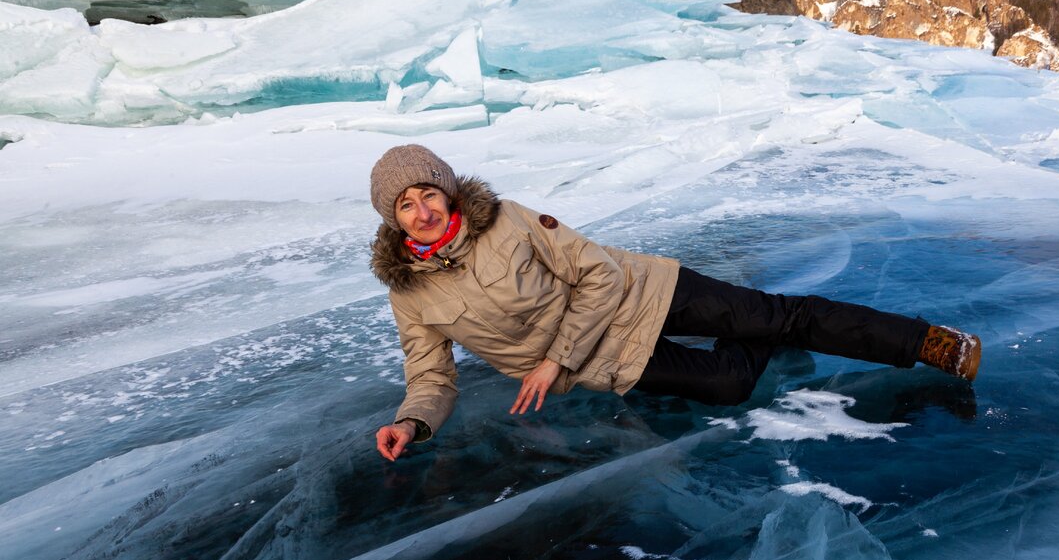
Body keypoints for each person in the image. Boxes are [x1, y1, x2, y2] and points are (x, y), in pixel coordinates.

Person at [371, 145, 981, 461]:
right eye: (406, 205)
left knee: (781, 316)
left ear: (449, 195)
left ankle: (928, 344)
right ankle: (754, 323)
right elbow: (431, 376)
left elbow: (601, 275)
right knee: (728, 386)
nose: (423, 212)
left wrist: (554, 359)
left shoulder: (508, 222)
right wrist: (411, 421)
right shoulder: (411, 292)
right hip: (604, 361)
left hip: (643, 291)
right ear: (394, 221)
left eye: (429, 194)